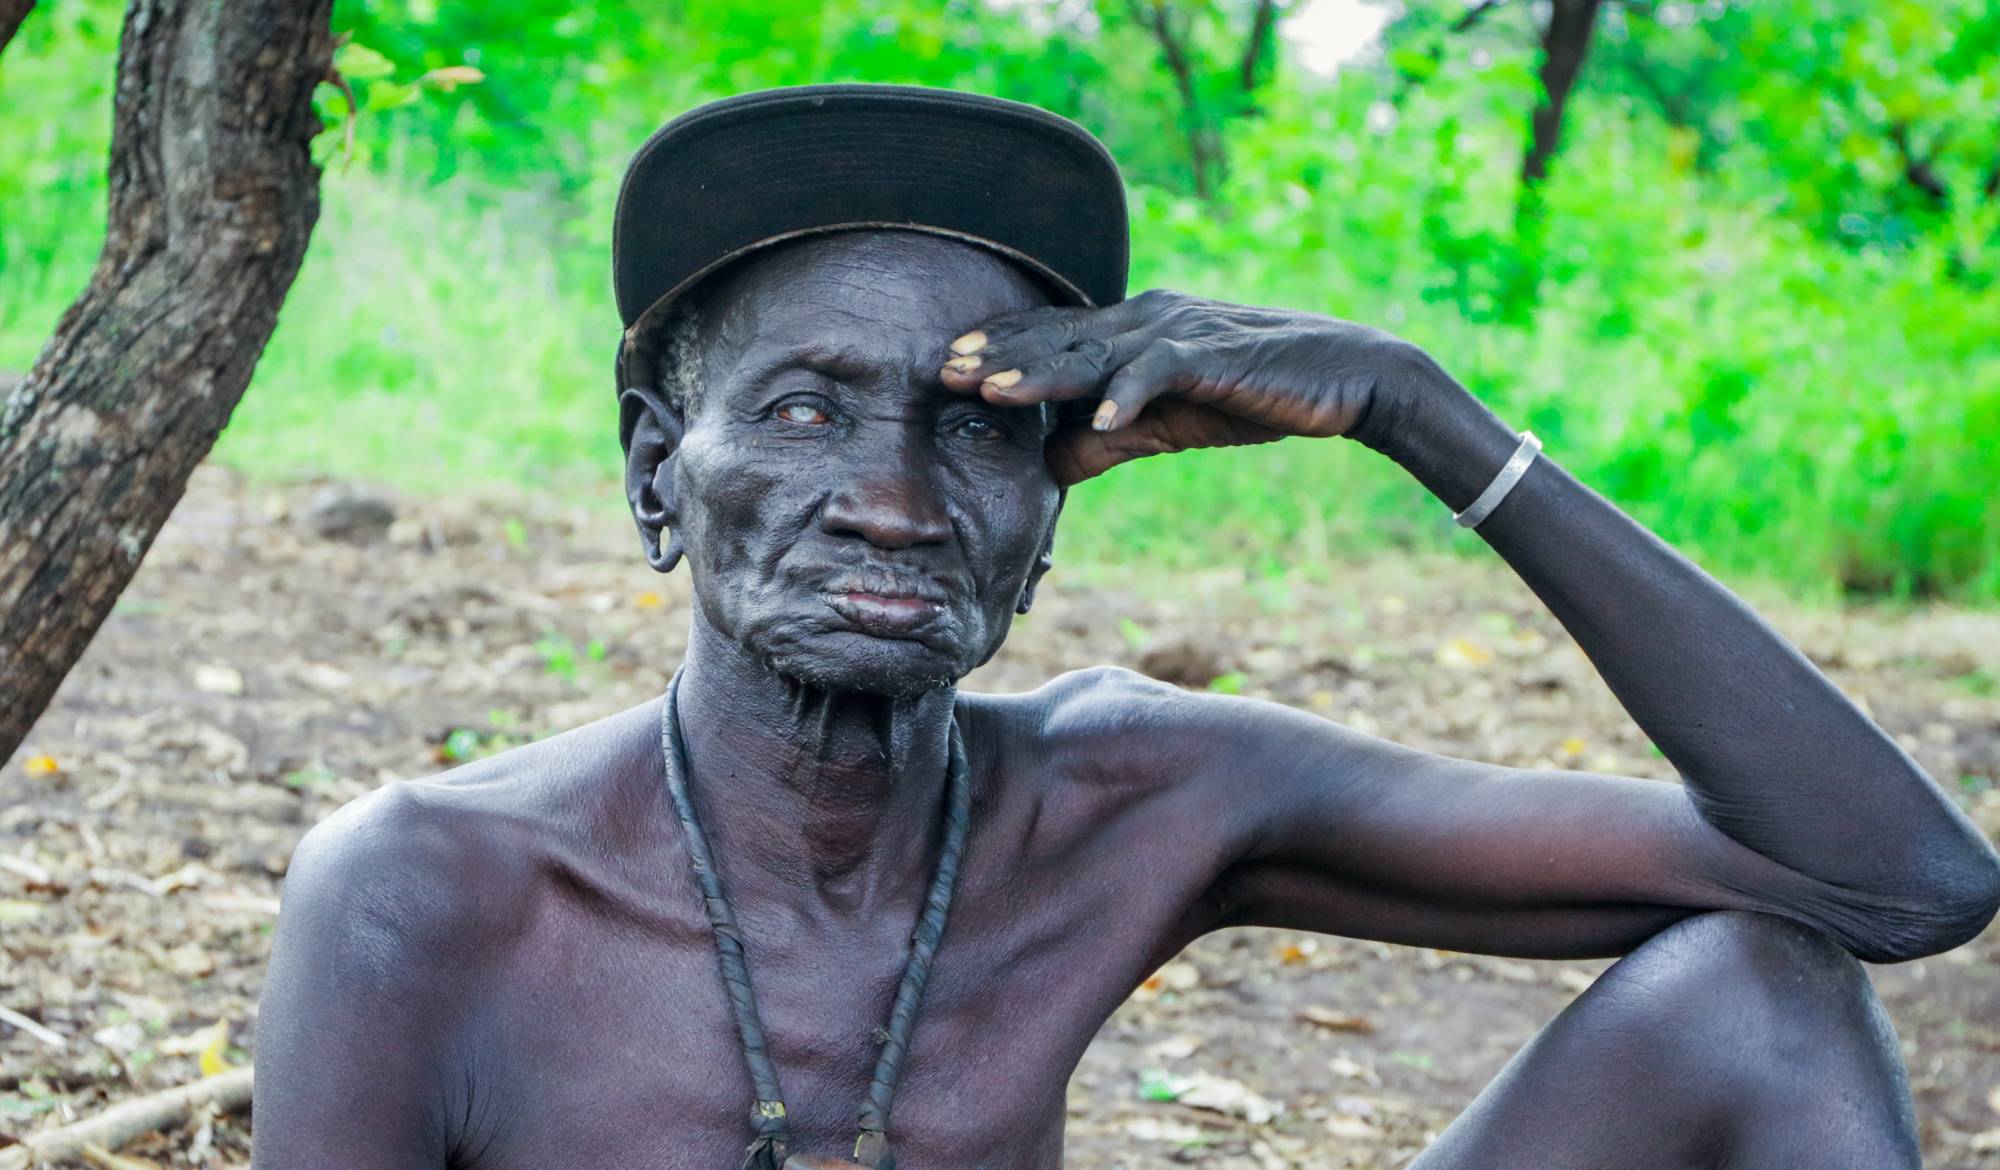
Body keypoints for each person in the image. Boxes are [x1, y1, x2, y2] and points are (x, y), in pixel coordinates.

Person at [251, 85, 2000, 1170]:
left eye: (977, 426)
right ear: (658, 472)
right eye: (801, 411)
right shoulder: (425, 892)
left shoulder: (1133, 793)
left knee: (1760, 1001)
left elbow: (1892, 882)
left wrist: (1419, 412)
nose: (894, 499)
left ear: (1049, 514)